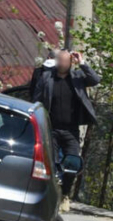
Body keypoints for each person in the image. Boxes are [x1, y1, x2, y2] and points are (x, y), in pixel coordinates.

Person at [30, 49, 101, 211]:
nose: (61, 64)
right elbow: (36, 100)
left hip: (71, 129)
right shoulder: (47, 78)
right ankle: (48, 198)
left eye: (65, 61)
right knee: (51, 165)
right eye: (59, 61)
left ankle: (65, 194)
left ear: (70, 63)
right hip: (51, 128)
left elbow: (95, 79)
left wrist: (82, 63)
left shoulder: (77, 78)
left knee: (73, 163)